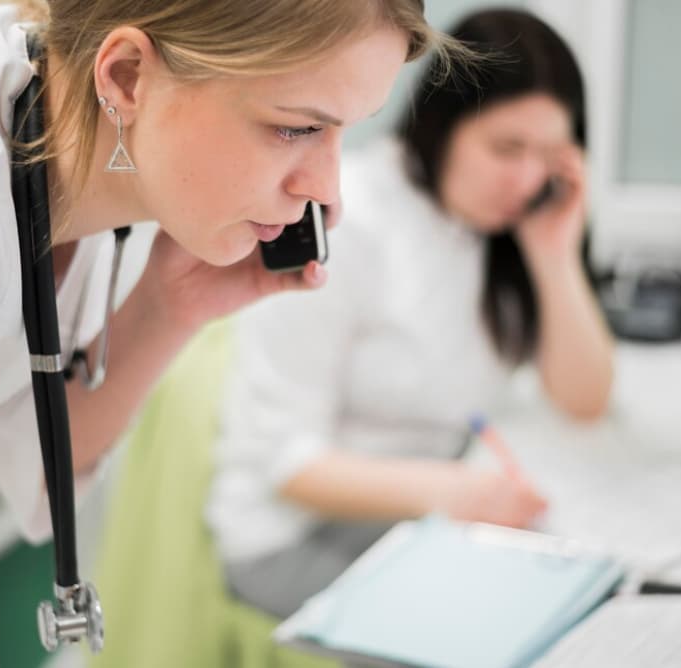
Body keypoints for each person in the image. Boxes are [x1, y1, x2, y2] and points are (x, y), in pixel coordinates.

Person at [0, 0, 459, 664]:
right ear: (128, 76)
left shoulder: (115, 155)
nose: (326, 191)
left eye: (347, 132)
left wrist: (166, 311)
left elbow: (39, 460)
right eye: (296, 129)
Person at [206, 8, 616, 620]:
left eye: (550, 157)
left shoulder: (501, 232)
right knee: (514, 621)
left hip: (425, 505)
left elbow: (584, 401)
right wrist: (457, 494)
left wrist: (553, 257)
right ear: (444, 127)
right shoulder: (353, 224)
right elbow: (286, 463)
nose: (528, 179)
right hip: (295, 536)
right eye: (508, 148)